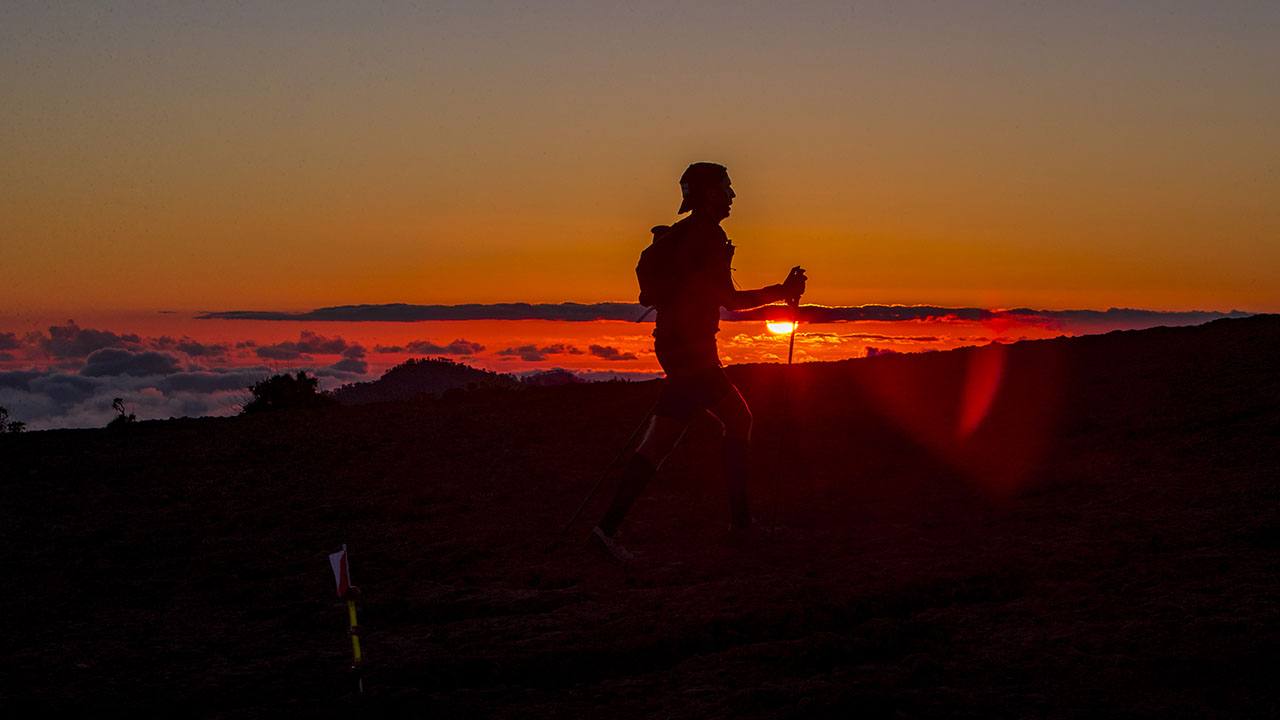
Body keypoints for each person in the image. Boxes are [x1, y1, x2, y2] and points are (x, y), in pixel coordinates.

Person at [589, 162, 807, 562]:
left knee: (662, 442)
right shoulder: (708, 236)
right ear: (709, 193)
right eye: (727, 187)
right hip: (691, 352)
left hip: (677, 348)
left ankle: (606, 530)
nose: (732, 195)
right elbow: (732, 301)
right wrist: (784, 290)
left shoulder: (679, 236)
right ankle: (740, 526)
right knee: (737, 421)